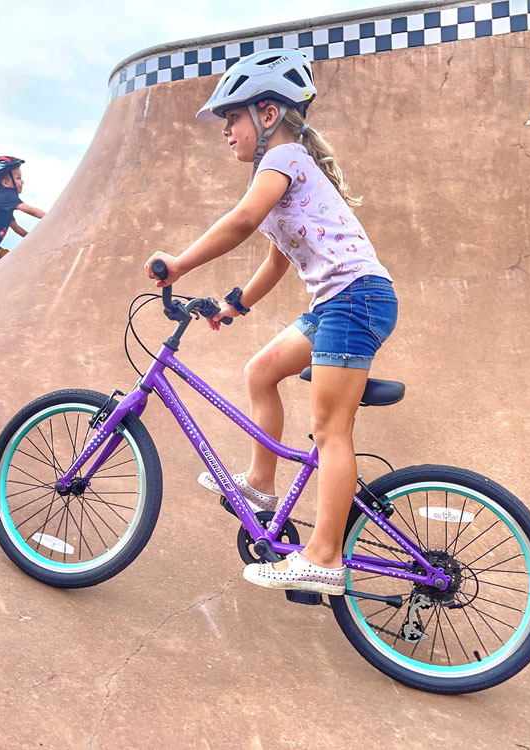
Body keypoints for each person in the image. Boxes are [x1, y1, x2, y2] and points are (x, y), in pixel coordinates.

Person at [144, 49, 397, 596]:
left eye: (230, 117)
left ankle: (324, 557)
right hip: (338, 303)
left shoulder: (283, 160)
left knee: (331, 431)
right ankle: (260, 484)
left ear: (267, 115)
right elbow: (278, 258)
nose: (224, 131)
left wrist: (180, 262)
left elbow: (241, 221)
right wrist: (235, 305)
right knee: (260, 371)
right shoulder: (286, 173)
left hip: (356, 300)